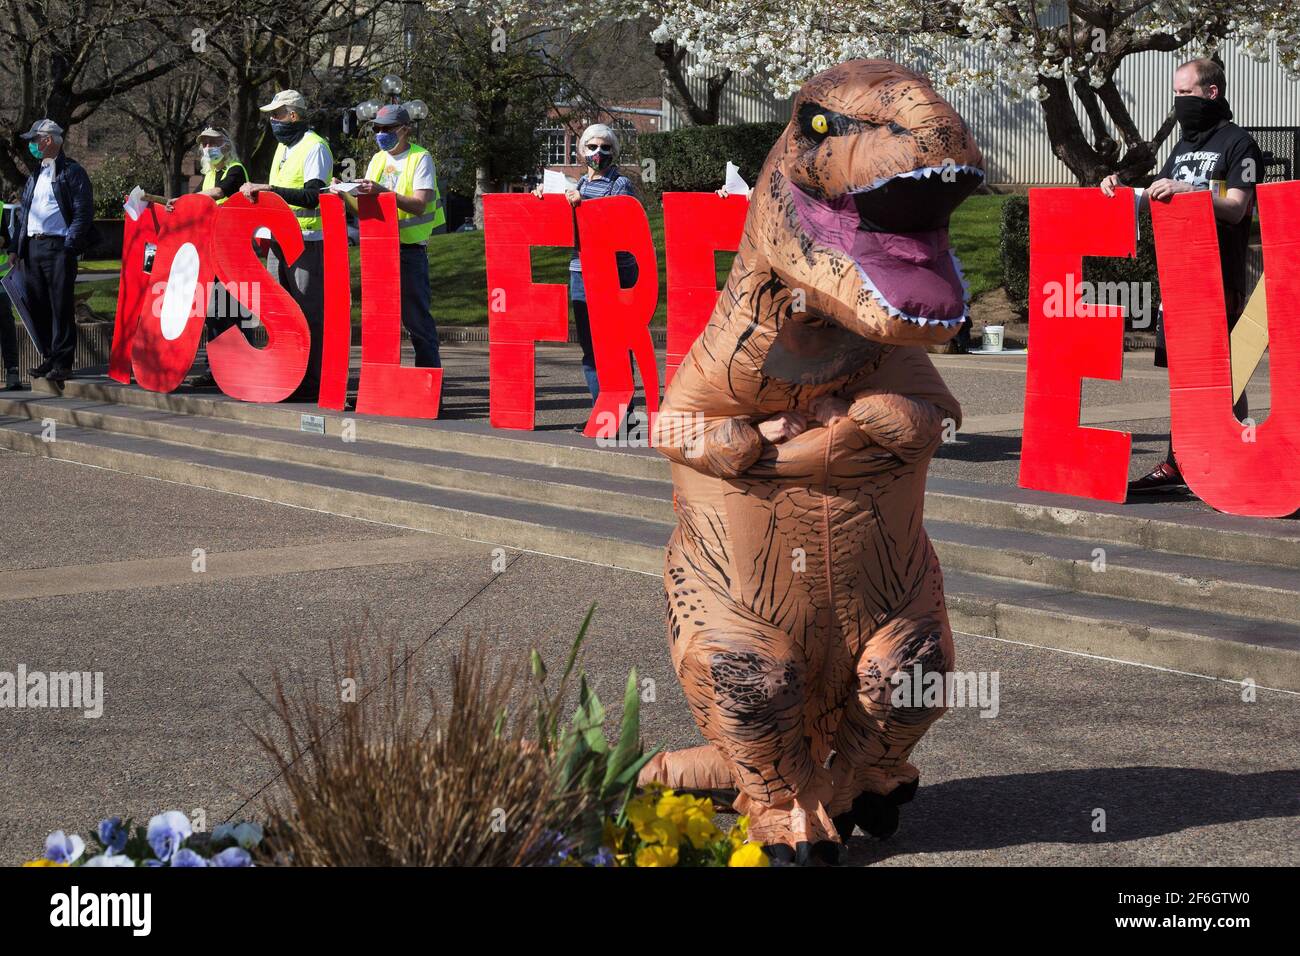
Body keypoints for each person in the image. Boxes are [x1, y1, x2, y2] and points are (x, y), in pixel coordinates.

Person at [1103, 58, 1262, 494]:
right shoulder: (1182, 147)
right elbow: (1159, 192)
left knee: (1221, 374)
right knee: (1184, 374)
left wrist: (1191, 191)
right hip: (1177, 277)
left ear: (1211, 93)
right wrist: (1123, 188)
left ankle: (1234, 454)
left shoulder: (1239, 144)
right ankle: (1179, 462)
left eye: (1184, 94)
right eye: (1175, 94)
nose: (1178, 103)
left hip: (1218, 279)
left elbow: (1237, 207)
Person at [531, 123, 640, 430]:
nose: (598, 152)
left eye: (605, 147)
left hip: (612, 274)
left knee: (615, 347)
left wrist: (585, 205)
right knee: (591, 349)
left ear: (614, 151)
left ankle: (625, 416)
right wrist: (546, 198)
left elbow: (618, 222)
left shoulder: (620, 184)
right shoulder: (577, 183)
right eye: (592, 147)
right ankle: (601, 413)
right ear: (581, 151)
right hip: (581, 273)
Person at [240, 90, 333, 400]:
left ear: (294, 115)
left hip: (306, 243)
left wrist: (269, 189)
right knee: (281, 312)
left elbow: (313, 196)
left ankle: (313, 381)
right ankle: (289, 374)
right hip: (279, 243)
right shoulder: (283, 148)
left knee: (308, 314)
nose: (272, 121)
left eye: (277, 114)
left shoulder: (314, 147)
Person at [341, 103, 444, 367]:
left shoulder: (421, 158)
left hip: (409, 251)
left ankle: (430, 386)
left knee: (416, 321)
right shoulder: (377, 159)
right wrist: (344, 193)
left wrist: (381, 192)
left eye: (387, 128)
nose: (381, 133)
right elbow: (365, 205)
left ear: (405, 130)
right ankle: (379, 388)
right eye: (377, 128)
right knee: (378, 321)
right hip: (379, 252)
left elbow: (420, 204)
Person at [11, 119, 95, 384]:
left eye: (35, 140)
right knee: (38, 305)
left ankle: (63, 362)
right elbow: (25, 213)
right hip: (33, 247)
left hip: (59, 246)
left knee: (60, 305)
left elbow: (83, 210)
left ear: (48, 140)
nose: (32, 145)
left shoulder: (72, 171)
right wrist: (17, 247)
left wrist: (71, 245)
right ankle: (49, 355)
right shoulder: (37, 174)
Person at [175, 128, 249, 387]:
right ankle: (216, 368)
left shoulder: (235, 170)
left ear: (226, 144)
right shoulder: (209, 175)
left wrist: (186, 199)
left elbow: (220, 193)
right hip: (211, 249)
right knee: (215, 312)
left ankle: (233, 368)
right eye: (204, 144)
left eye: (213, 143)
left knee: (228, 311)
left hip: (231, 251)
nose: (207, 148)